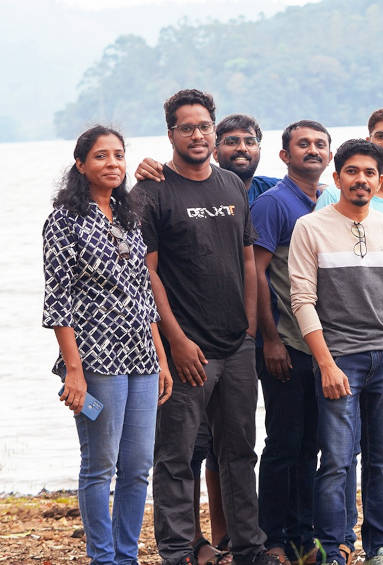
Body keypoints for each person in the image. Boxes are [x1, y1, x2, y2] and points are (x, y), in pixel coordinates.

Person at [132, 89, 279, 565]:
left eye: (203, 127)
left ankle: (248, 548)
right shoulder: (151, 192)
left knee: (239, 452)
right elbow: (147, 272)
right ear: (171, 133)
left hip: (236, 346)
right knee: (175, 457)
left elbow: (245, 257)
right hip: (187, 349)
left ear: (212, 131)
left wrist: (252, 329)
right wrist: (175, 341)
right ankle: (178, 551)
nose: (197, 135)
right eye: (186, 127)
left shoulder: (232, 186)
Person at [288, 138, 383, 565]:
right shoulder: (310, 228)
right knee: (336, 459)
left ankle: (380, 547)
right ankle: (334, 547)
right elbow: (302, 300)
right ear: (337, 178)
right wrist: (326, 363)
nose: (362, 179)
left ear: (382, 178)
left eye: (370, 172)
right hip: (340, 359)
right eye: (353, 171)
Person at [43, 125, 172, 565]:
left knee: (137, 467)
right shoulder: (63, 219)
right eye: (101, 156)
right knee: (99, 465)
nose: (113, 163)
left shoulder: (128, 215)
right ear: (81, 165)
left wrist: (160, 356)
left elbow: (143, 292)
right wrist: (73, 370)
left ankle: (126, 555)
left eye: (119, 155)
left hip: (141, 353)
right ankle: (103, 558)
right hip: (96, 357)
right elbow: (57, 300)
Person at [250, 120, 333, 563]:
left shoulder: (329, 204)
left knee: (313, 446)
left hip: (322, 348)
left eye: (320, 145)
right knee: (283, 443)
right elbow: (257, 273)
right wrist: (269, 339)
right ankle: (273, 538)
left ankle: (305, 536)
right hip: (284, 344)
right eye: (303, 144)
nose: (312, 151)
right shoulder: (273, 204)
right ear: (284, 155)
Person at [135, 113, 280, 202]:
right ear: (215, 153)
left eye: (250, 142)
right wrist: (150, 171)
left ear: (259, 150)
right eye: (231, 142)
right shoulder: (195, 192)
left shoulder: (274, 191)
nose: (242, 148)